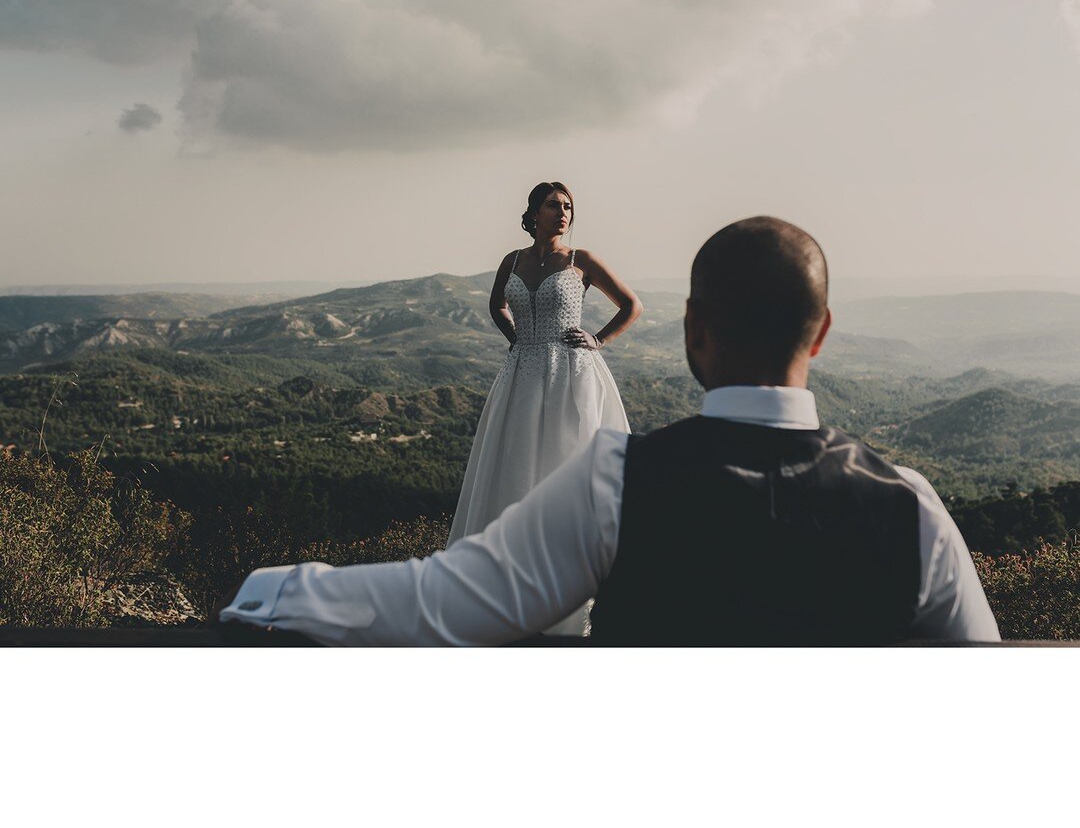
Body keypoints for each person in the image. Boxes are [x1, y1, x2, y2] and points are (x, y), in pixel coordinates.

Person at [220, 216, 1000, 646]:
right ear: (821, 333)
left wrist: (269, 589)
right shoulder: (914, 508)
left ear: (694, 330)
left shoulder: (617, 482)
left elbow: (441, 602)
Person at [446, 181, 641, 635]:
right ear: (534, 212)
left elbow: (632, 305)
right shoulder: (511, 261)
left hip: (572, 375)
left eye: (569, 206)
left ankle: (573, 598)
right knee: (514, 470)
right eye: (555, 204)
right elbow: (496, 305)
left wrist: (598, 340)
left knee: (565, 466)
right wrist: (516, 337)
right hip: (520, 376)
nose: (564, 212)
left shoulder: (582, 261)